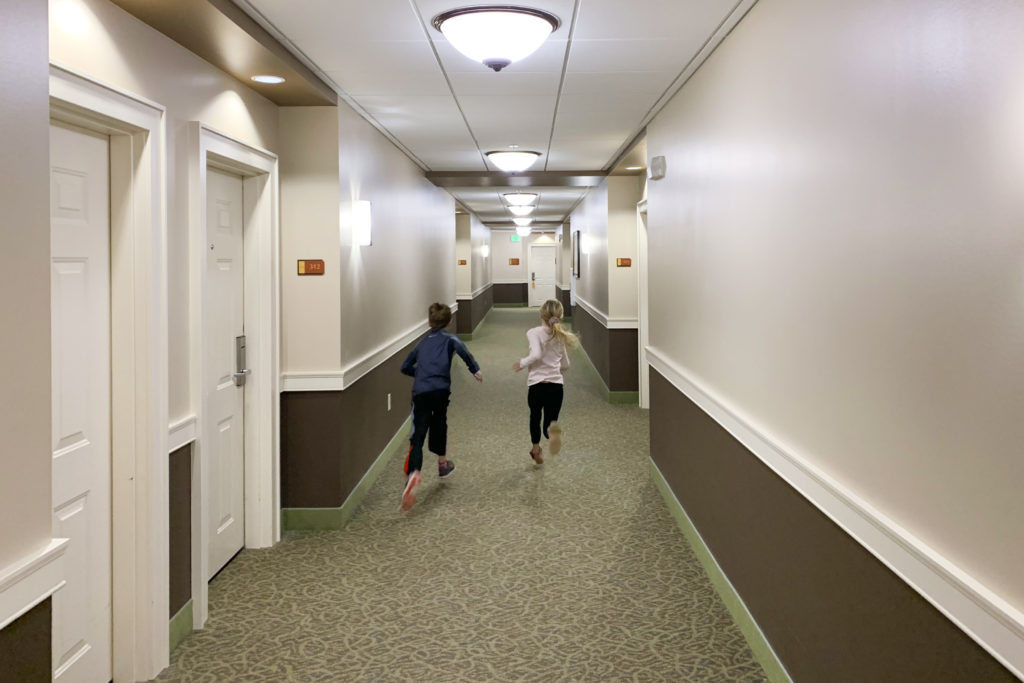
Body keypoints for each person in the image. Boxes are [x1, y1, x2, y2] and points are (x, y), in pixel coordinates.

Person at [399, 302, 482, 511]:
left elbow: (405, 367)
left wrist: (419, 375)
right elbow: (464, 353)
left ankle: (414, 473)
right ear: (449, 321)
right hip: (441, 391)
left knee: (417, 435)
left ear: (429, 321)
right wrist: (475, 370)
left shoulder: (422, 343)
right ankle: (442, 464)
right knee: (439, 424)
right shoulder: (450, 339)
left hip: (421, 393)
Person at [513, 299, 578, 464]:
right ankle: (552, 434)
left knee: (535, 417)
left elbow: (535, 355)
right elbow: (566, 365)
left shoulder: (533, 332)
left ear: (541, 314)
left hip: (537, 385)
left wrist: (521, 363)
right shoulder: (560, 336)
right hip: (556, 387)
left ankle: (536, 450)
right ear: (560, 316)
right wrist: (555, 371)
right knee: (551, 420)